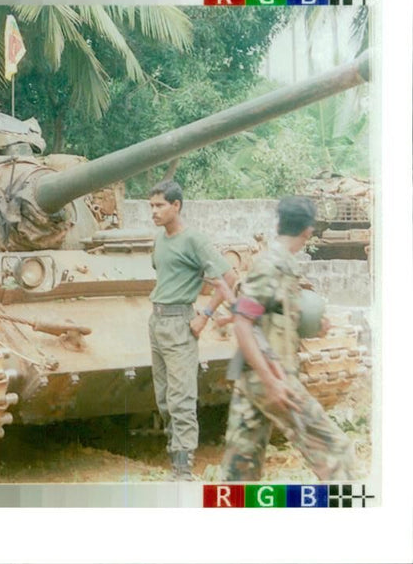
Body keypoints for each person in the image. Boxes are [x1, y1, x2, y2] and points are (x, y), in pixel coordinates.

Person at [219, 196, 356, 481]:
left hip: (254, 379)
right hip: (272, 379)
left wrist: (314, 327)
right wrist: (274, 384)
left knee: (240, 469)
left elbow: (268, 318)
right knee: (336, 450)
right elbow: (243, 324)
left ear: (279, 223)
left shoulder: (281, 265)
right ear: (308, 231)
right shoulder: (270, 266)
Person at [148, 180, 237, 480]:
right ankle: (175, 453)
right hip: (157, 321)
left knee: (181, 397)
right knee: (163, 397)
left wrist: (206, 314)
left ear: (177, 206)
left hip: (179, 322)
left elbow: (229, 276)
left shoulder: (194, 240)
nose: (154, 211)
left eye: (160, 205)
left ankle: (183, 468)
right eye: (151, 206)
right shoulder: (160, 239)